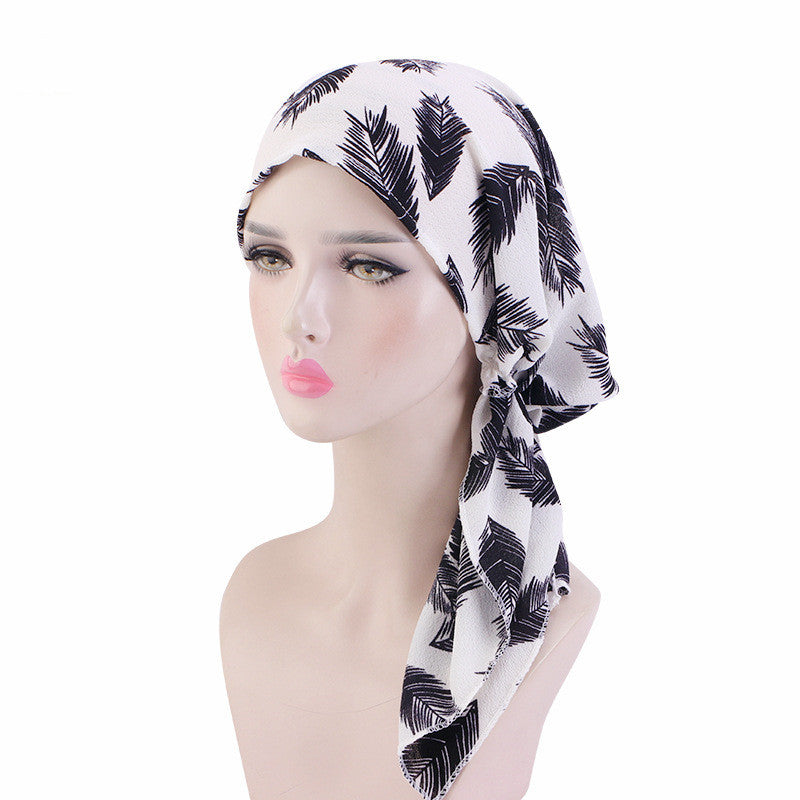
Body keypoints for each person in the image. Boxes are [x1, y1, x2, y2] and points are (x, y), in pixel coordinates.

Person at [221, 59, 619, 800]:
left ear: (492, 289)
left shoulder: (538, 617)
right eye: (269, 257)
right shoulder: (254, 594)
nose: (299, 318)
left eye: (368, 267)